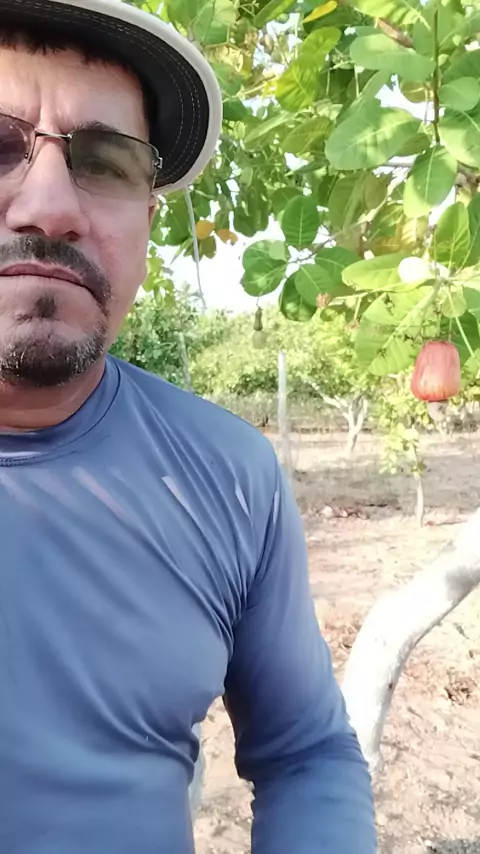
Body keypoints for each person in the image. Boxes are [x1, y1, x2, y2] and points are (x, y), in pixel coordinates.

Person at [0, 1, 377, 851]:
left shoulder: (228, 473)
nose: (51, 207)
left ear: (147, 221)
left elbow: (307, 753)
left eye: (106, 161)